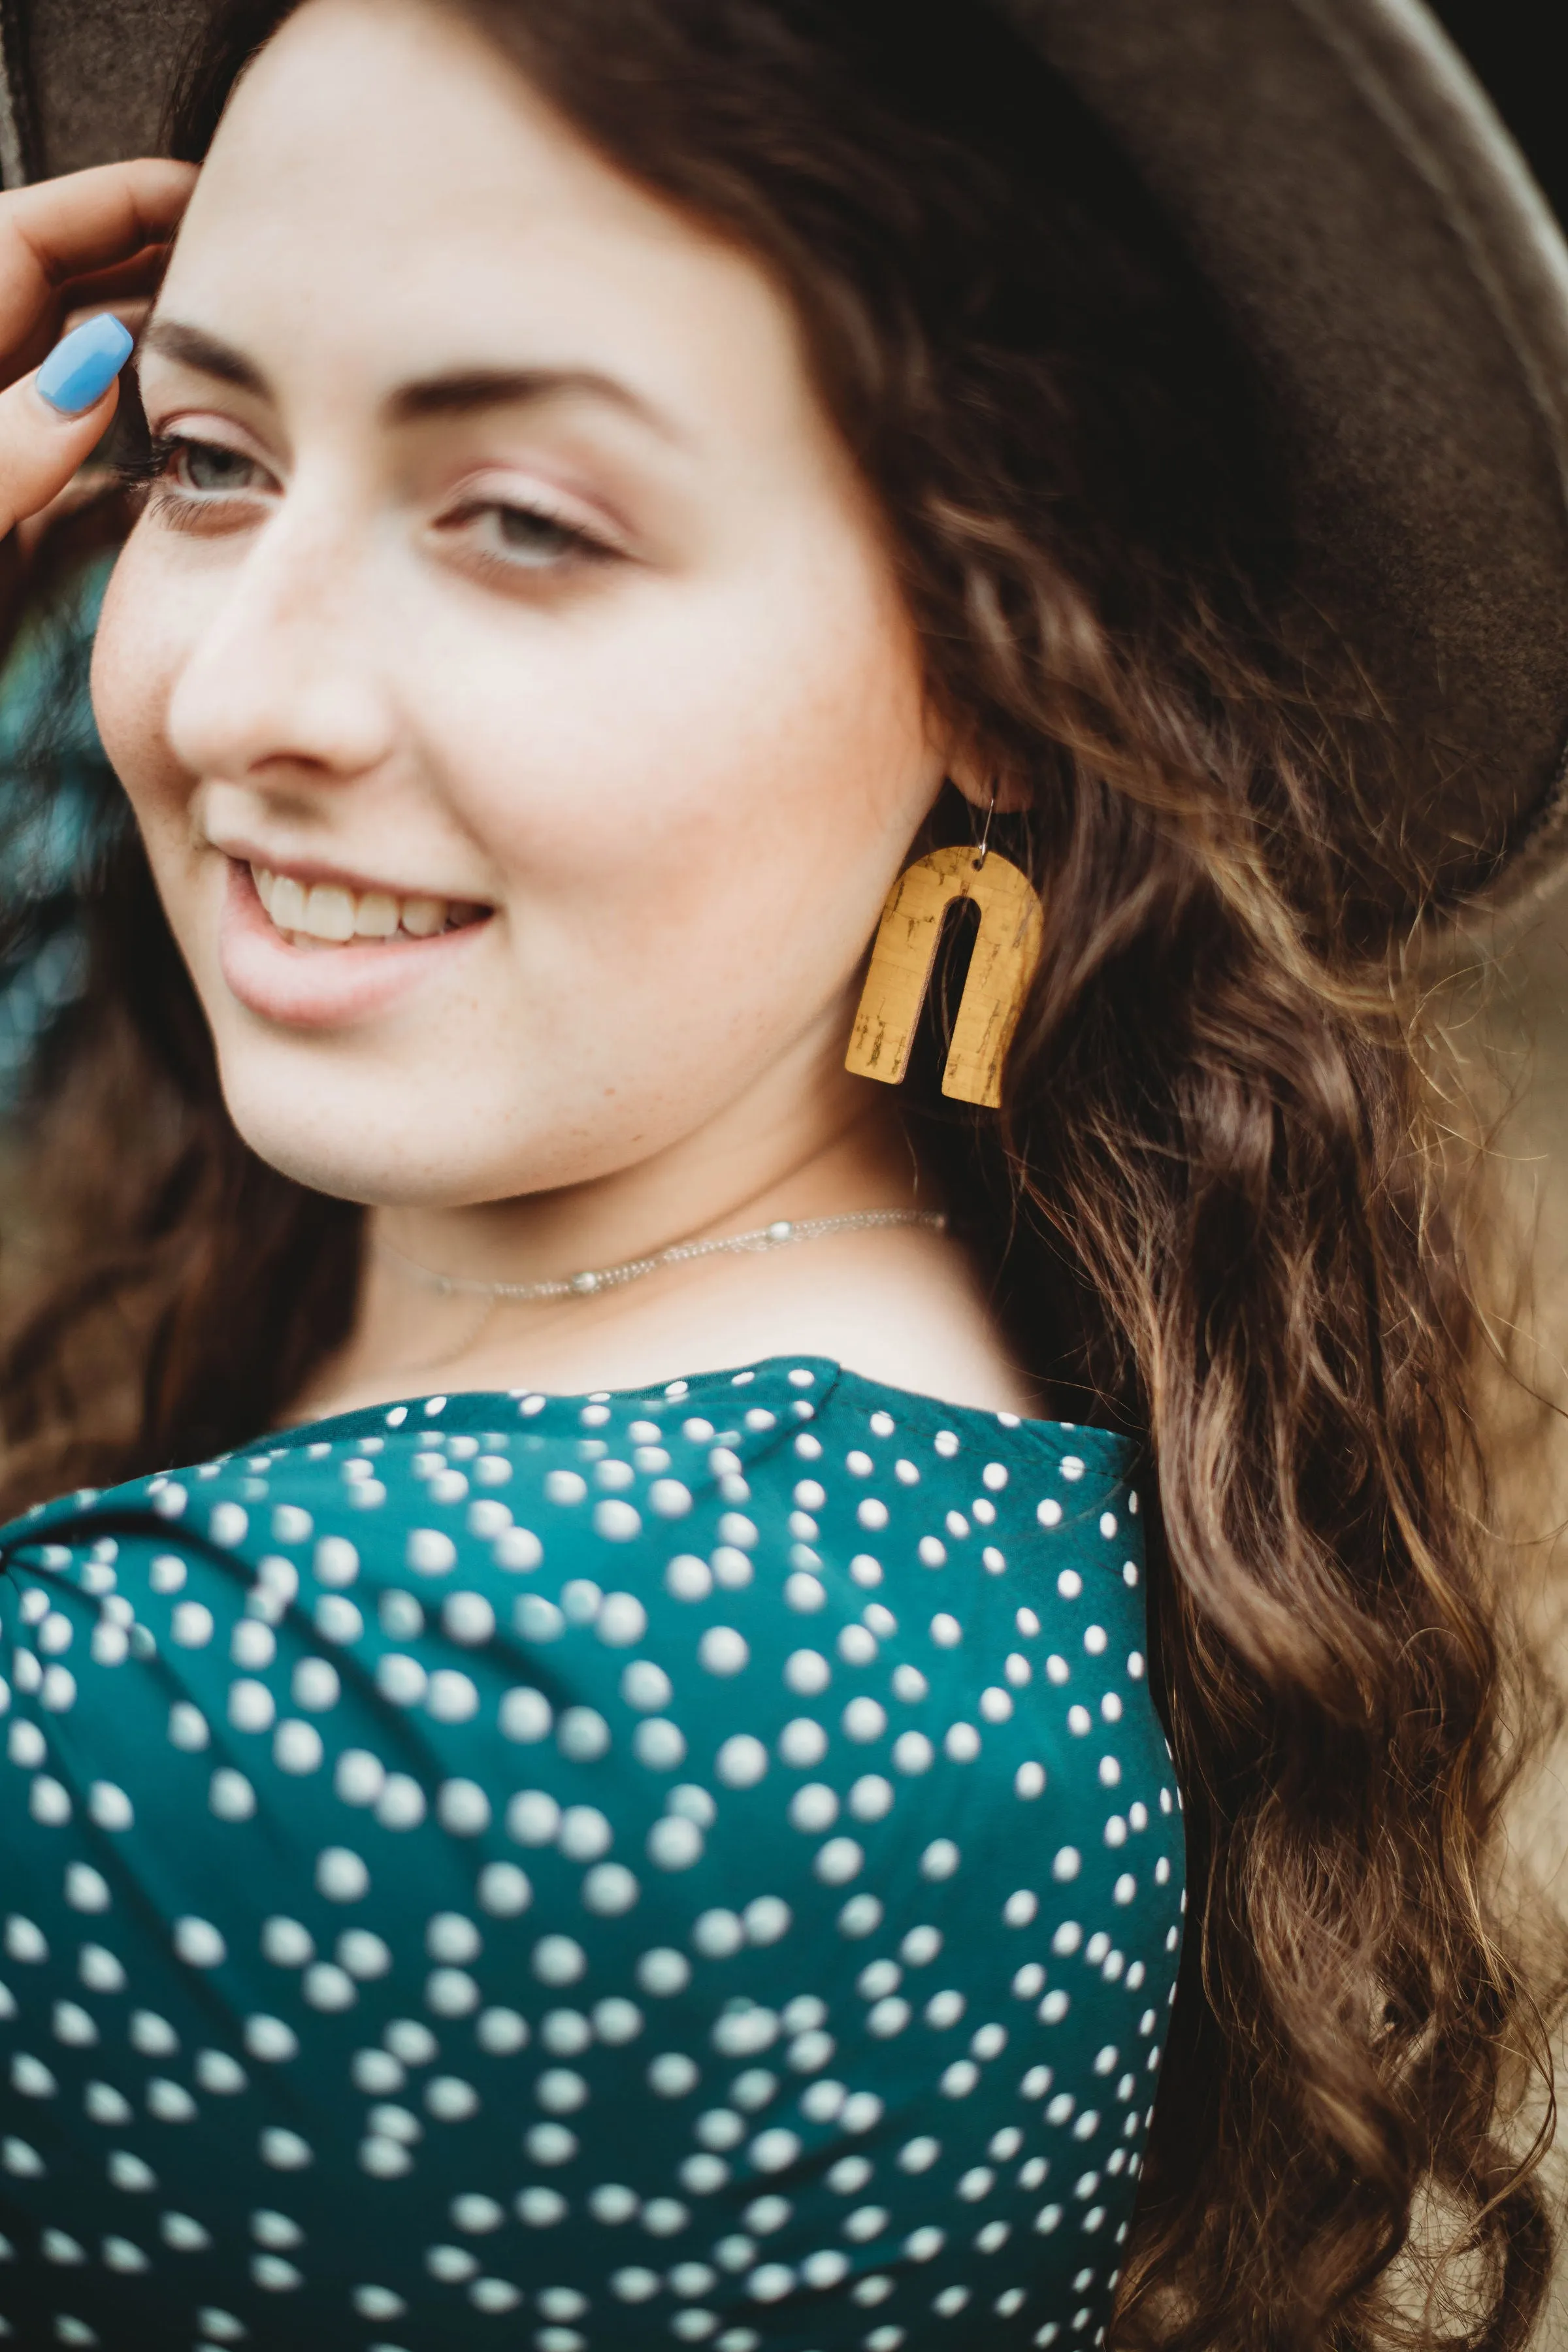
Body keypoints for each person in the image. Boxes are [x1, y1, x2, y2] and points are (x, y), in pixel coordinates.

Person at [0, 0, 1564, 2344]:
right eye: (210, 459)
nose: (231, 697)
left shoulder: (462, 1723)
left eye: (521, 520)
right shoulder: (907, 1422)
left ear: (1013, 670)